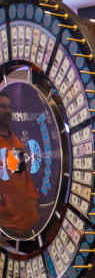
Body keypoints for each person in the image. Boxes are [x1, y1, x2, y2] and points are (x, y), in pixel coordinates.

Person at [0, 92, 39, 233]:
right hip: (6, 228)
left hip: (27, 224)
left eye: (9, 107)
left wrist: (32, 199)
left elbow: (22, 176)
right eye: (2, 106)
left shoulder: (15, 141)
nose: (7, 111)